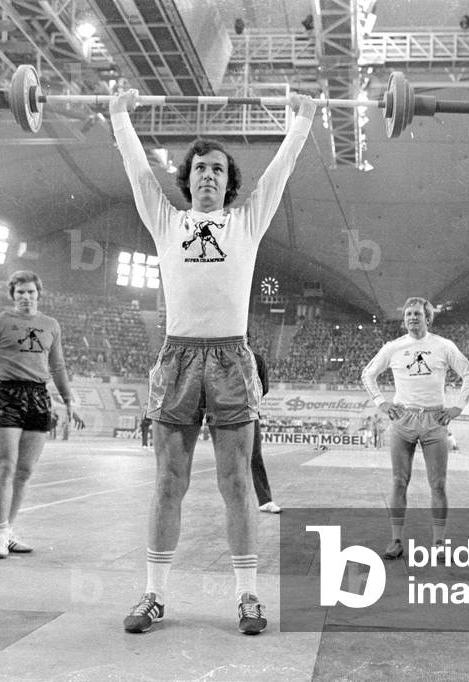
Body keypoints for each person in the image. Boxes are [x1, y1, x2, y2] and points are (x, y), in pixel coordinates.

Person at [109, 87, 316, 635]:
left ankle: (248, 596)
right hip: (178, 360)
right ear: (187, 178)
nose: (207, 177)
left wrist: (301, 123)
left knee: (236, 484)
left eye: (218, 170)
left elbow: (280, 172)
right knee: (167, 483)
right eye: (199, 168)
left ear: (229, 183)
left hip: (229, 360)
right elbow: (135, 171)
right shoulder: (166, 221)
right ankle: (154, 595)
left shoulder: (247, 223)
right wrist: (118, 118)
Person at [0, 271, 73, 560]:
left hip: (39, 395)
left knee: (25, 471)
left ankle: (8, 530)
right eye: (20, 292)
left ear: (39, 294)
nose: (26, 297)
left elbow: (58, 366)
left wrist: (69, 399)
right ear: (13, 295)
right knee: (6, 466)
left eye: (31, 292)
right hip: (8, 394)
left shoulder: (51, 325)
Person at [361, 297, 469, 559]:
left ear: (428, 318)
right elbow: (368, 374)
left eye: (417, 314)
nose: (412, 318)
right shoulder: (394, 347)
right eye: (408, 314)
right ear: (404, 320)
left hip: (435, 421)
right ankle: (396, 541)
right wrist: (382, 403)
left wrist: (458, 407)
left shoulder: (443, 346)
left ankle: (439, 543)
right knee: (399, 481)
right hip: (403, 420)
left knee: (438, 483)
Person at [249, 340, 280, 514]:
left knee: (254, 457)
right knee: (232, 462)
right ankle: (238, 502)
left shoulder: (257, 360)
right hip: (225, 414)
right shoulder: (222, 359)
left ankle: (265, 500)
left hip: (249, 412)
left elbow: (263, 388)